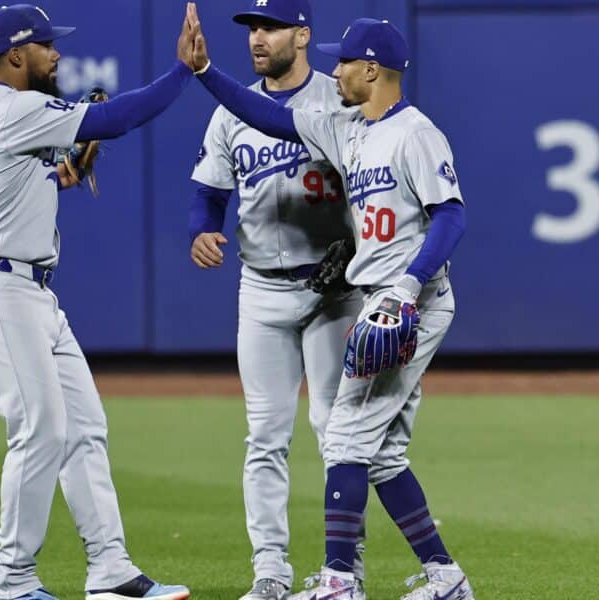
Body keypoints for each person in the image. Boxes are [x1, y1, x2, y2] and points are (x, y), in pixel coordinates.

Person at [186, 7, 474, 600]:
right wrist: (207, 71)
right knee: (384, 451)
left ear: (372, 70)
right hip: (377, 300)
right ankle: (445, 577)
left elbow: (451, 215)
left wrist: (407, 284)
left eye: (345, 61)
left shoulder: (415, 132)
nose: (335, 69)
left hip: (407, 303)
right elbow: (267, 114)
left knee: (342, 437)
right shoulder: (349, 129)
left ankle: (340, 580)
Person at [0, 4, 201, 600]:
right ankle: (11, 579)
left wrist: (61, 171)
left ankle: (110, 570)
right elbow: (117, 117)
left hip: (28, 292)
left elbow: (15, 181)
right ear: (15, 57)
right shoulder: (14, 109)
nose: (56, 54)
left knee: (84, 428)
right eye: (45, 46)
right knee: (40, 429)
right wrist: (181, 73)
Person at [188, 2, 363, 599]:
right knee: (264, 435)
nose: (258, 38)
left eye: (269, 27)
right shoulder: (229, 113)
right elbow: (209, 191)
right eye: (251, 29)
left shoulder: (335, 99)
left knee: (334, 429)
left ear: (303, 34)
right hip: (260, 287)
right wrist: (200, 230)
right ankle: (270, 573)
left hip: (332, 291)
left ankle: (343, 570)